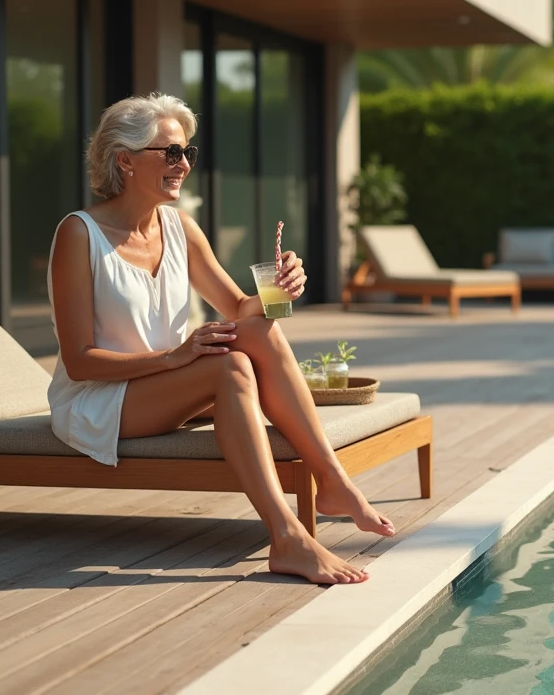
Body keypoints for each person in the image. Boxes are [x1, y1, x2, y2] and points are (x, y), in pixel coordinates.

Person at [47, 93, 391, 585]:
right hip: (99, 402)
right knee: (230, 367)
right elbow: (80, 363)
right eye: (171, 152)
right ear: (125, 160)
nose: (183, 164)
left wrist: (280, 290)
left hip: (165, 385)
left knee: (258, 331)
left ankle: (332, 481)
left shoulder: (180, 228)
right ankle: (287, 537)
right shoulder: (79, 235)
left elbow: (239, 309)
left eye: (188, 152)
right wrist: (174, 357)